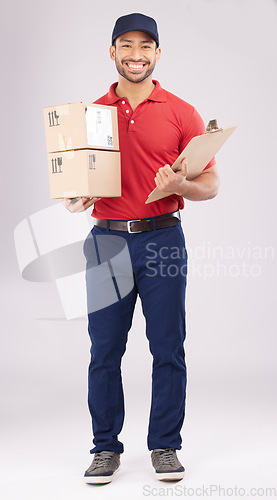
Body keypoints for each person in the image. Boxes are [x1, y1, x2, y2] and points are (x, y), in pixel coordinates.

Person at [63, 12, 219, 484]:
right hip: (106, 240)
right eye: (126, 45)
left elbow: (209, 184)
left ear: (157, 53)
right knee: (105, 350)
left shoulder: (182, 112)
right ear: (112, 52)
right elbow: (75, 186)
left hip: (163, 239)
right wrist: (76, 197)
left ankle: (165, 446)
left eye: (145, 46)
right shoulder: (89, 116)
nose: (136, 54)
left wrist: (181, 185)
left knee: (168, 346)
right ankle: (105, 448)